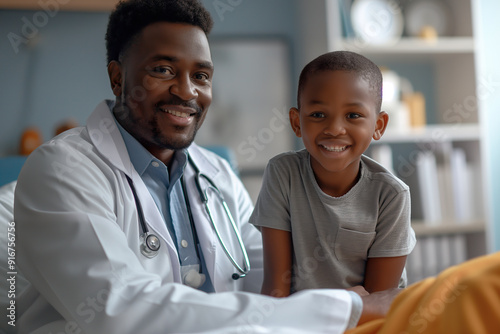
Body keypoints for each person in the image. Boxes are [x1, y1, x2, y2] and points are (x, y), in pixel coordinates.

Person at [11, 1, 397, 333]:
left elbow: (273, 272)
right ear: (117, 77)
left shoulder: (214, 172)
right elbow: (120, 312)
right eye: (163, 70)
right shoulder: (62, 171)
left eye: (201, 75)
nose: (187, 91)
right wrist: (346, 308)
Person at [250, 51, 416, 297]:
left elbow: (378, 301)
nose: (335, 129)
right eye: (318, 115)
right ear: (297, 122)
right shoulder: (283, 174)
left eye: (353, 116)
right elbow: (276, 290)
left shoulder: (391, 195)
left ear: (378, 126)